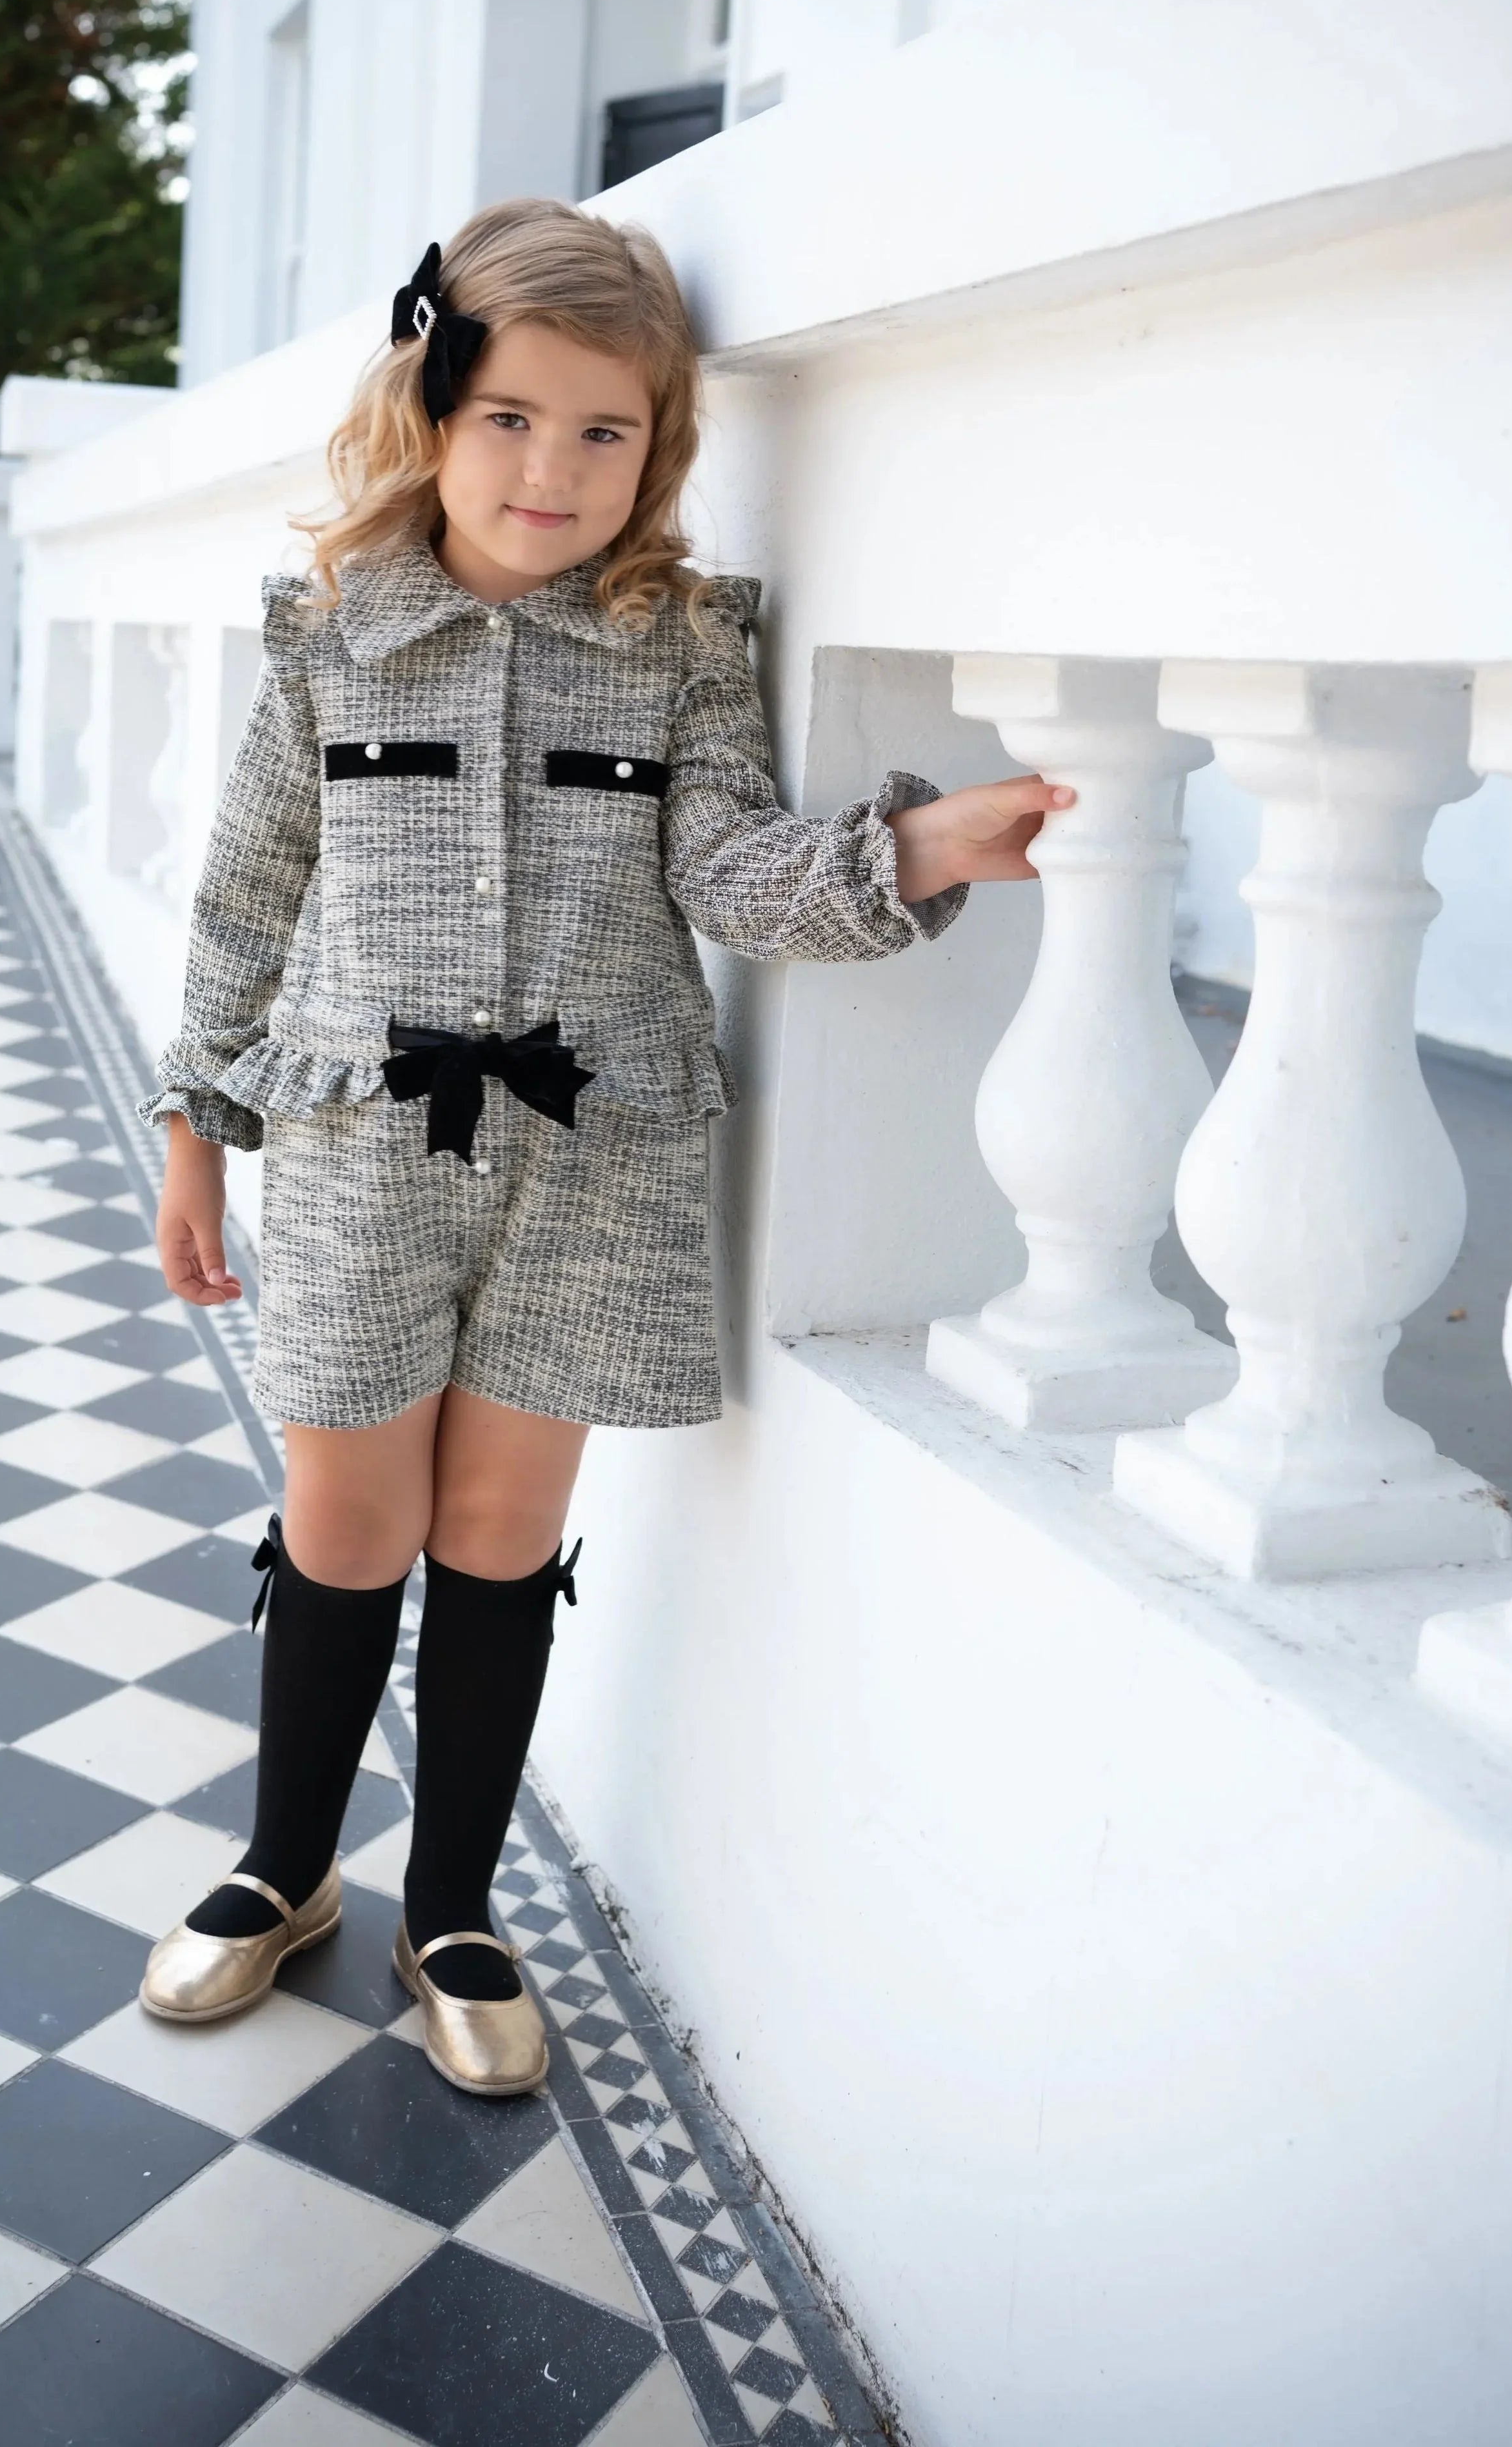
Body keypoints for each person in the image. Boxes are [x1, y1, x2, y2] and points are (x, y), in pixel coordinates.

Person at [136, 198, 1069, 2096]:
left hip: (594, 1154)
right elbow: (246, 898)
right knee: (348, 1518)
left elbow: (725, 866)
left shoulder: (677, 648)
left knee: (497, 1531)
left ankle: (457, 1906)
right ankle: (285, 1865)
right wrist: (195, 1141)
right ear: (431, 407)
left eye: (602, 432)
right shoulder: (336, 637)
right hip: (351, 1144)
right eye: (508, 420)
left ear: (660, 446)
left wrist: (914, 854)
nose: (550, 470)